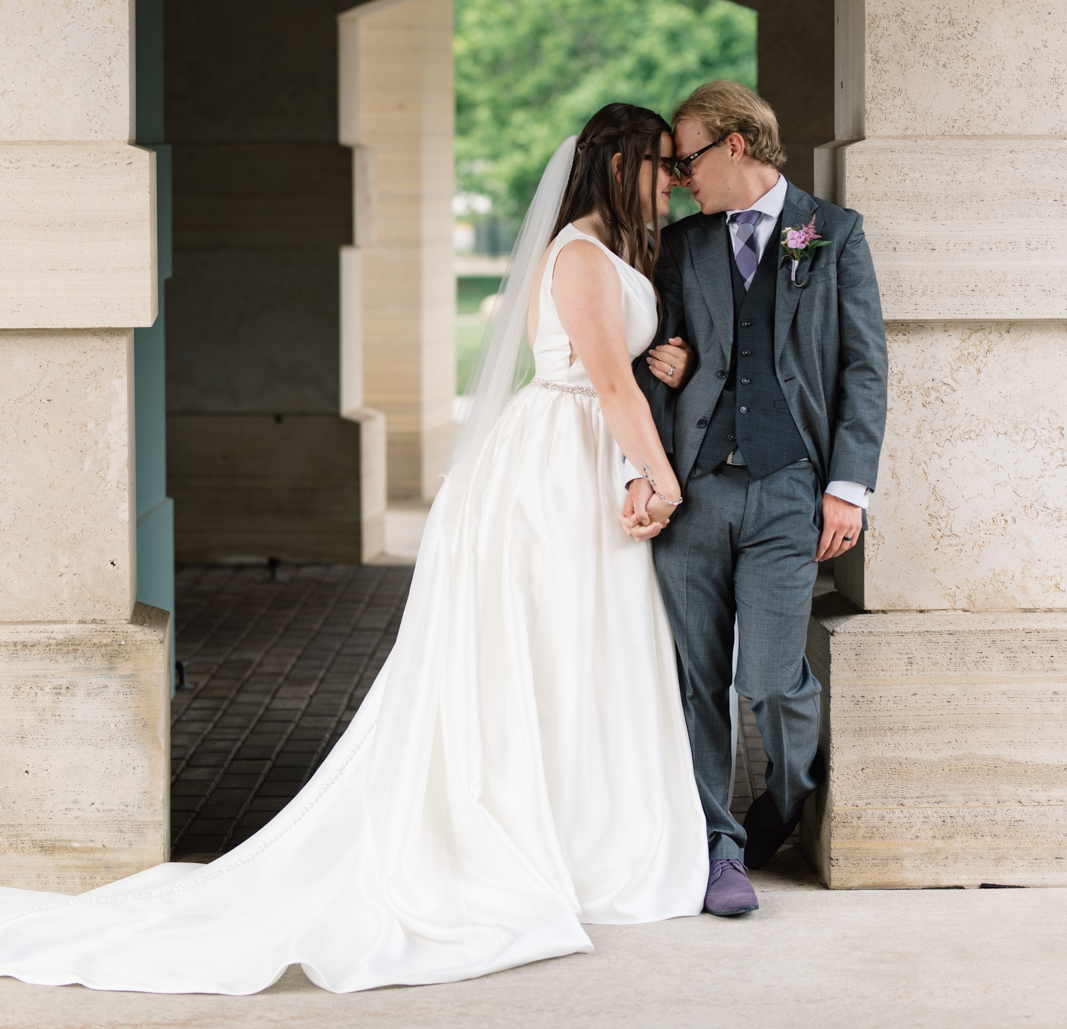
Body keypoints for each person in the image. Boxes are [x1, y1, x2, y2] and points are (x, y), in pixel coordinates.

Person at [0, 104, 709, 996]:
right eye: (660, 167)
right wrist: (662, 477)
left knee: (583, 646)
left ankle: (582, 828)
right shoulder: (577, 253)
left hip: (585, 453)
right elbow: (601, 380)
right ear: (619, 165)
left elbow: (619, 367)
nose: (671, 183)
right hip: (555, 466)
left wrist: (662, 373)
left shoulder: (614, 253)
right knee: (552, 641)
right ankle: (548, 834)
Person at [623, 81, 888, 918]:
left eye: (687, 158)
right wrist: (662, 385)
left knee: (769, 683)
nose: (677, 175)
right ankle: (717, 850)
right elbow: (642, 358)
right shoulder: (680, 245)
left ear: (736, 145)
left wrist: (846, 489)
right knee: (696, 681)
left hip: (787, 492)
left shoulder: (831, 233)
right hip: (693, 490)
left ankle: (786, 794)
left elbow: (862, 367)